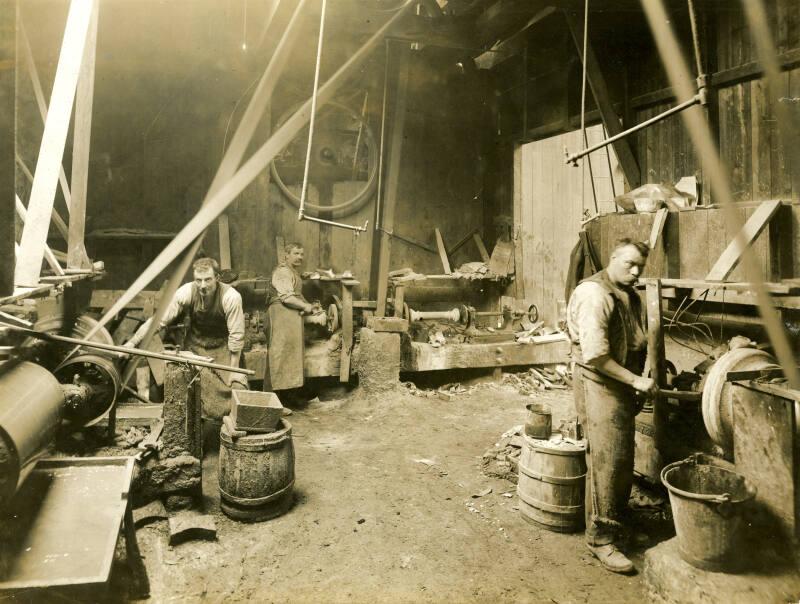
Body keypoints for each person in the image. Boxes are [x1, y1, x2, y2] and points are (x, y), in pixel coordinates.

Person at [566, 238, 657, 574]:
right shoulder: (595, 295)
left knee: (620, 459)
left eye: (640, 267)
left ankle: (616, 526)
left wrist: (635, 381)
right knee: (607, 461)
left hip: (619, 382)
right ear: (612, 257)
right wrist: (635, 381)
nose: (635, 272)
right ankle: (601, 539)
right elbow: (597, 356)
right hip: (598, 381)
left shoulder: (627, 292)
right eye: (629, 264)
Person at [125, 257, 246, 419]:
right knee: (192, 393)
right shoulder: (186, 292)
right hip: (195, 347)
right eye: (198, 280)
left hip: (224, 349)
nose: (202, 285)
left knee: (233, 392)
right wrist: (132, 343)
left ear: (217, 278)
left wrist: (234, 371)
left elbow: (236, 338)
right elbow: (158, 321)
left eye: (208, 280)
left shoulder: (231, 297)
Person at [267, 243, 319, 395]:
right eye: (296, 253)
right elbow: (287, 298)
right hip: (280, 316)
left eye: (302, 254)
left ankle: (289, 397)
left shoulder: (291, 272)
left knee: (290, 358)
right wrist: (306, 307)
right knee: (279, 358)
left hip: (289, 318)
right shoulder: (282, 271)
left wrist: (302, 278)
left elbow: (293, 291)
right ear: (286, 255)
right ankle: (275, 401)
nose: (300, 257)